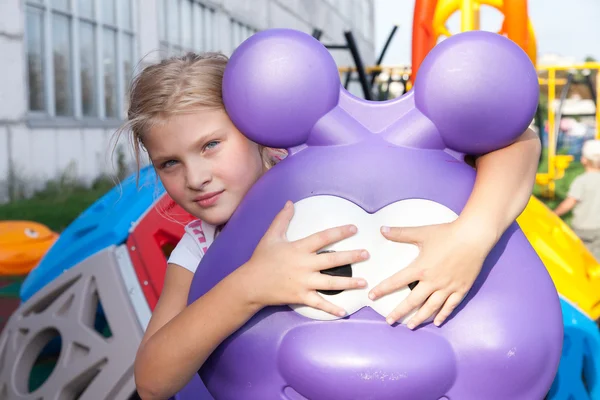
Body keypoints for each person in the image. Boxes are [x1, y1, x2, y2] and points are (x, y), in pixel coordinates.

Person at [121, 52, 542, 399]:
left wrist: (471, 236)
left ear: (255, 129)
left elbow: (518, 139)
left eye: (210, 145)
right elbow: (153, 381)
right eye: (169, 163)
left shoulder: (322, 169)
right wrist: (247, 287)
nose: (195, 177)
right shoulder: (199, 245)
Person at [554, 139, 600, 260]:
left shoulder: (582, 181)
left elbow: (570, 202)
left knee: (583, 259)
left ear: (584, 160)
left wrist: (554, 214)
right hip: (598, 228)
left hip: (583, 229)